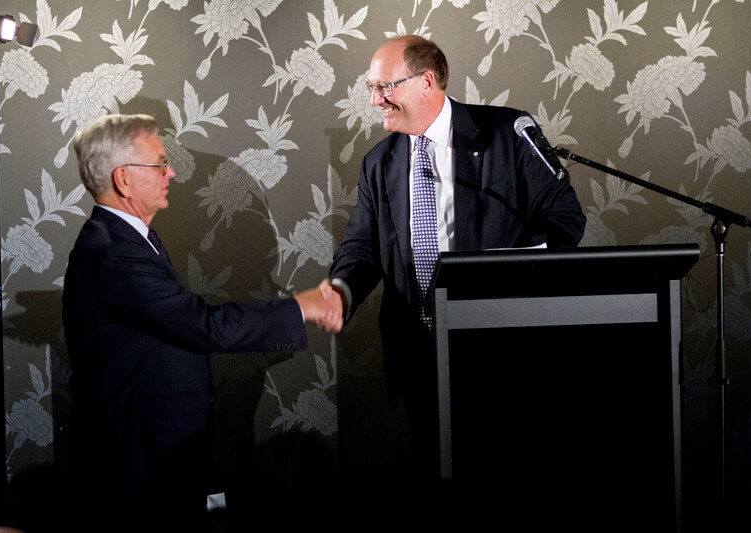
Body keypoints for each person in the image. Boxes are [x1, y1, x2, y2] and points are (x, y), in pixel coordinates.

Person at [327, 35, 586, 507]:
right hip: (421, 359)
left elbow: (564, 218)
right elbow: (362, 248)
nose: (375, 100)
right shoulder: (379, 164)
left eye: (384, 87)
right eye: (370, 88)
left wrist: (502, 271)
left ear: (426, 82)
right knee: (442, 496)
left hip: (505, 351)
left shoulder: (507, 133)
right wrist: (340, 291)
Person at [62, 113, 342, 532]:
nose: (171, 172)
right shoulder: (114, 252)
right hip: (138, 462)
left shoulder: (127, 238)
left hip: (156, 451)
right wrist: (301, 307)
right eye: (159, 164)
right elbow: (204, 326)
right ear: (123, 179)